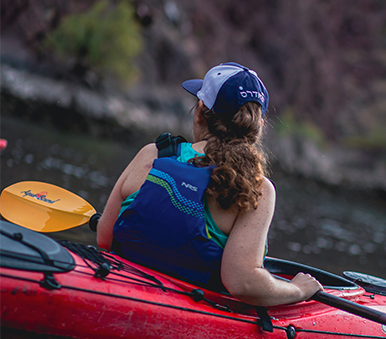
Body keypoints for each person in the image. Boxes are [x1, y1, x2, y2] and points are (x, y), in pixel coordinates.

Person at [97, 62, 322, 306]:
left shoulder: (152, 155)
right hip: (189, 309)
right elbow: (242, 282)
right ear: (256, 127)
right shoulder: (256, 188)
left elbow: (105, 237)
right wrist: (297, 290)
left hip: (117, 289)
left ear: (200, 110)